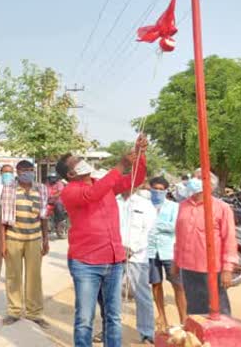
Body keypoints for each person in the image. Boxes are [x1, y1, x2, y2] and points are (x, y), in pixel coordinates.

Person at [58, 135, 147, 347]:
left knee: (114, 317)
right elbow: (92, 195)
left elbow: (136, 179)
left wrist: (139, 155)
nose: (82, 162)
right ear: (70, 174)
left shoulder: (103, 184)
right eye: (77, 162)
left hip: (113, 259)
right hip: (86, 263)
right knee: (84, 319)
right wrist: (120, 165)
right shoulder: (70, 191)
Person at [172, 170, 238, 317]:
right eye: (194, 177)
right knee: (195, 310)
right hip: (188, 267)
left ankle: (222, 339)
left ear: (210, 184)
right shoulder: (183, 206)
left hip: (212, 268)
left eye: (199, 178)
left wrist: (228, 269)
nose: (194, 180)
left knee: (218, 309)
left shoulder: (222, 208)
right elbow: (179, 236)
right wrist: (176, 262)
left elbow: (230, 239)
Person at [0, 160, 49, 328]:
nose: (28, 172)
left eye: (30, 170)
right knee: (13, 276)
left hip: (34, 239)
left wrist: (46, 240)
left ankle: (35, 313)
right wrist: (3, 243)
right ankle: (14, 311)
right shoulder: (9, 189)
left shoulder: (41, 189)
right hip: (13, 237)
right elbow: (3, 219)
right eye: (24, 170)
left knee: (34, 277)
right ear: (18, 171)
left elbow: (43, 216)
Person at [117, 187, 156, 344]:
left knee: (142, 296)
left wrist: (132, 248)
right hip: (114, 255)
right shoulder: (113, 202)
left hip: (138, 256)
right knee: (111, 295)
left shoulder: (145, 205)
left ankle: (146, 332)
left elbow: (150, 231)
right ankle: (110, 329)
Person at [147, 176, 186, 330]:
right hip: (150, 250)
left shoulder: (173, 207)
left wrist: (155, 224)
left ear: (165, 191)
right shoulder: (145, 205)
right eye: (155, 188)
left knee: (178, 285)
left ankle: (184, 319)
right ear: (150, 188)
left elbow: (176, 226)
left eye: (161, 189)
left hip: (169, 251)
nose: (157, 192)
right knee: (156, 284)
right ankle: (161, 316)